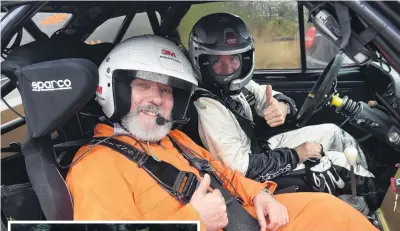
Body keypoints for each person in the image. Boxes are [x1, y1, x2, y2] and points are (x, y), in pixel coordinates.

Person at [65, 35, 378, 231]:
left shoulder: (173, 139)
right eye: (142, 85)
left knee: (333, 212)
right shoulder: (96, 167)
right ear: (114, 90)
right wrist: (194, 221)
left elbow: (225, 174)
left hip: (244, 217)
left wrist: (261, 195)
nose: (157, 99)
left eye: (166, 90)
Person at [187, 12, 382, 209]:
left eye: (234, 59)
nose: (229, 68)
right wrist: (297, 154)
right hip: (252, 177)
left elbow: (266, 95)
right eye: (218, 62)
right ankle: (382, 201)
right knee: (339, 163)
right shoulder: (207, 106)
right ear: (203, 62)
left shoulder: (235, 86)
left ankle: (372, 170)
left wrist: (282, 105)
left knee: (332, 131)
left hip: (260, 151)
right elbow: (241, 170)